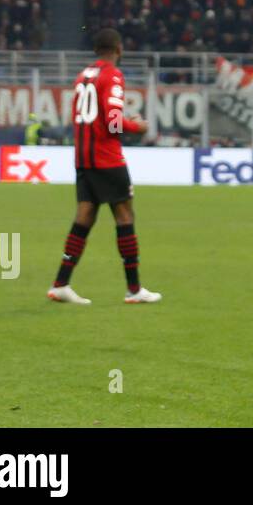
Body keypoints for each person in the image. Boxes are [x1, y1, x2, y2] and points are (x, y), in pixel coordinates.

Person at [48, 28, 160, 306]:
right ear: (119, 50)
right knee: (125, 217)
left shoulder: (82, 77)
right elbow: (113, 122)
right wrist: (137, 126)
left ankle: (61, 283)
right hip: (106, 158)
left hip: (83, 158)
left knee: (84, 216)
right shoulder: (113, 76)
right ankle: (134, 289)